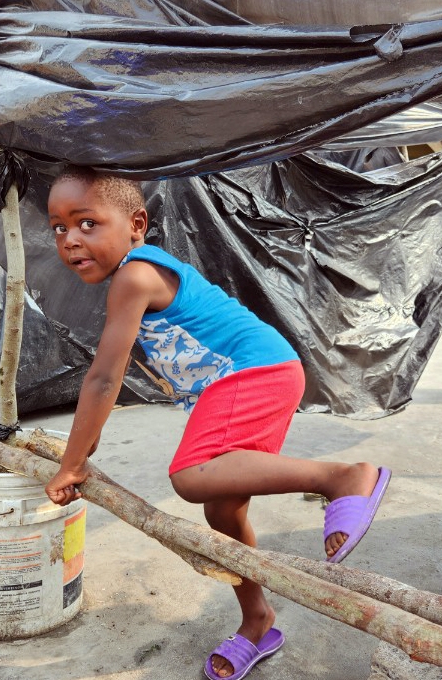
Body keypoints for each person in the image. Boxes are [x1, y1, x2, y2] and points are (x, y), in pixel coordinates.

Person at [43, 165, 391, 680]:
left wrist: (71, 465)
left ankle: (342, 479)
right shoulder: (134, 275)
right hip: (260, 375)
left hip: (253, 373)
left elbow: (101, 381)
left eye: (87, 222)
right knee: (223, 512)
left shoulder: (136, 274)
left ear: (136, 224)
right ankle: (258, 621)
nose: (70, 239)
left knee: (191, 474)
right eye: (58, 228)